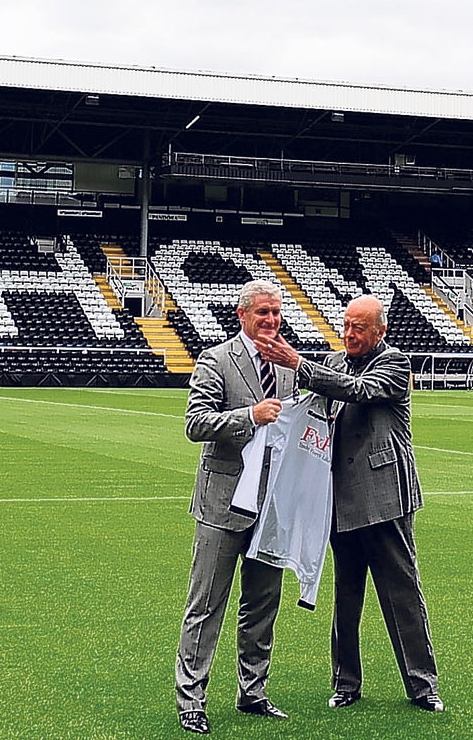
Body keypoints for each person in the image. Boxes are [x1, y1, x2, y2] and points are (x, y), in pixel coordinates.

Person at [257, 293, 444, 713]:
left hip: (385, 499)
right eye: (345, 325)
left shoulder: (395, 364)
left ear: (380, 331)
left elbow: (359, 391)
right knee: (346, 595)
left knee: (401, 592)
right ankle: (345, 682)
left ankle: (423, 685)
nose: (349, 334)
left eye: (359, 327)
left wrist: (300, 365)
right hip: (340, 500)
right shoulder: (335, 362)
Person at [175, 279, 297, 735]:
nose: (271, 320)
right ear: (242, 315)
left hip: (271, 507)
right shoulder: (216, 359)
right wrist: (249, 416)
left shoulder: (287, 365)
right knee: (206, 603)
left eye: (276, 312)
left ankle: (254, 691)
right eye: (263, 312)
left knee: (263, 604)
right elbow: (195, 423)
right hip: (223, 503)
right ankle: (192, 698)